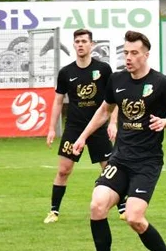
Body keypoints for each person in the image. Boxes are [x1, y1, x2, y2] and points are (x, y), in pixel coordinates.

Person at [71, 30, 166, 251]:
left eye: (134, 53)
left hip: (147, 162)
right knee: (97, 206)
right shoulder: (116, 80)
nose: (128, 57)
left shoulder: (162, 83)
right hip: (121, 159)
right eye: (125, 52)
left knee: (134, 217)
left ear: (146, 55)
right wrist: (82, 137)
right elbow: (104, 111)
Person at [43, 29, 113, 224]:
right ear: (74, 45)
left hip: (98, 127)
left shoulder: (104, 69)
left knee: (109, 169)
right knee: (64, 170)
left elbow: (113, 99)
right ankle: (54, 211)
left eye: (84, 41)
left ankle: (122, 206)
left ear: (92, 45)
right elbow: (58, 102)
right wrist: (51, 128)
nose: (80, 44)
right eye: (77, 41)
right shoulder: (66, 72)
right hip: (74, 127)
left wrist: (113, 123)